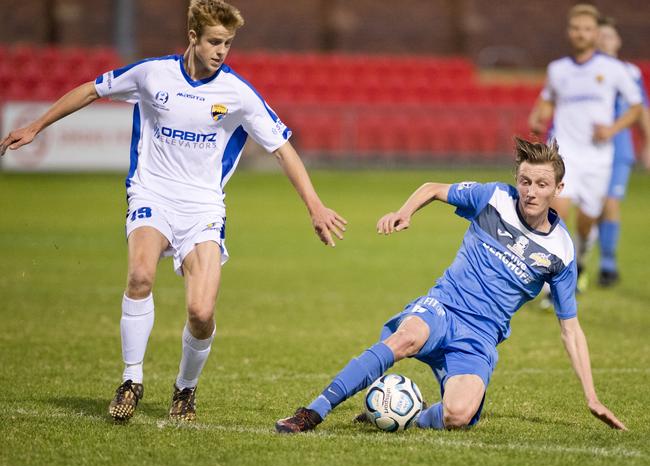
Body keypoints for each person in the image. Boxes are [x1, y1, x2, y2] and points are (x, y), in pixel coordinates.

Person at [0, 0, 347, 422]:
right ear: (193, 37)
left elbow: (282, 148)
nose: (222, 51)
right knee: (140, 275)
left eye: (228, 43)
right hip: (151, 193)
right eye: (215, 42)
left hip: (202, 206)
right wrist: (36, 125)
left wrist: (314, 206)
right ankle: (131, 379)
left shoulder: (237, 93)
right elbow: (93, 89)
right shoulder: (152, 74)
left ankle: (185, 389)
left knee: (201, 313)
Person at [275, 137, 627, 433]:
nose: (530, 192)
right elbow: (433, 189)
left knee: (458, 414)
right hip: (444, 306)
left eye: (541, 184)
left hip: (481, 336)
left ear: (558, 188)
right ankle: (314, 411)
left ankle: (402, 414)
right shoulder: (493, 198)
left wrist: (591, 396)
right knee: (406, 338)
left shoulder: (561, 252)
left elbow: (571, 330)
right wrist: (405, 211)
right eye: (524, 181)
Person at [528, 4, 643, 291]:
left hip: (598, 158)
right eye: (577, 28)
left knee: (587, 219)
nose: (582, 34)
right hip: (564, 154)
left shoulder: (614, 70)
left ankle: (580, 257)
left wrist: (613, 129)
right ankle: (550, 280)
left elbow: (636, 106)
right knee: (557, 212)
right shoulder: (558, 69)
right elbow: (548, 99)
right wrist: (538, 115)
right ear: (570, 32)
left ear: (595, 33)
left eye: (587, 29)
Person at [595, 17, 650, 286]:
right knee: (590, 206)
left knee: (610, 202)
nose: (604, 41)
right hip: (590, 148)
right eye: (600, 36)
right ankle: (580, 261)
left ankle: (608, 264)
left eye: (609, 36)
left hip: (618, 147)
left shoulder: (630, 72)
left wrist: (648, 143)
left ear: (617, 41)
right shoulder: (586, 71)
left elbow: (641, 109)